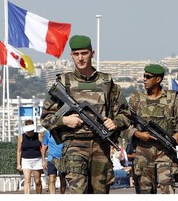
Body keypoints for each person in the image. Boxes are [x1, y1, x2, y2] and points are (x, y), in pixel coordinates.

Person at [40, 34, 131, 194]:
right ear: (71, 55)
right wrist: (64, 120)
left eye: (84, 53)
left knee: (100, 192)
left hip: (101, 147)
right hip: (74, 146)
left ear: (92, 53)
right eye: (76, 54)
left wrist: (115, 122)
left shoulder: (106, 83)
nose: (80, 58)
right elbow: (45, 118)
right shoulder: (64, 82)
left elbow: (126, 113)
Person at [126, 64, 178, 194]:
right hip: (143, 154)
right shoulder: (135, 99)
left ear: (158, 79)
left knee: (167, 191)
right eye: (144, 76)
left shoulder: (172, 98)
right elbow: (125, 124)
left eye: (148, 77)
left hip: (165, 153)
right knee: (145, 192)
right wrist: (137, 134)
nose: (144, 79)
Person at [16, 119, 45, 194]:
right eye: (28, 131)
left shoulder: (39, 135)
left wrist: (44, 161)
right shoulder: (21, 137)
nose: (29, 133)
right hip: (26, 160)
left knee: (37, 181)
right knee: (27, 180)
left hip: (37, 160)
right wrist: (18, 164)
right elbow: (19, 151)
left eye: (31, 131)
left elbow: (43, 148)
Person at [41, 130, 66, 194]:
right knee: (52, 179)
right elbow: (44, 147)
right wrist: (43, 160)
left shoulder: (64, 131)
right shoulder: (47, 133)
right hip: (51, 158)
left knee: (63, 180)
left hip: (63, 159)